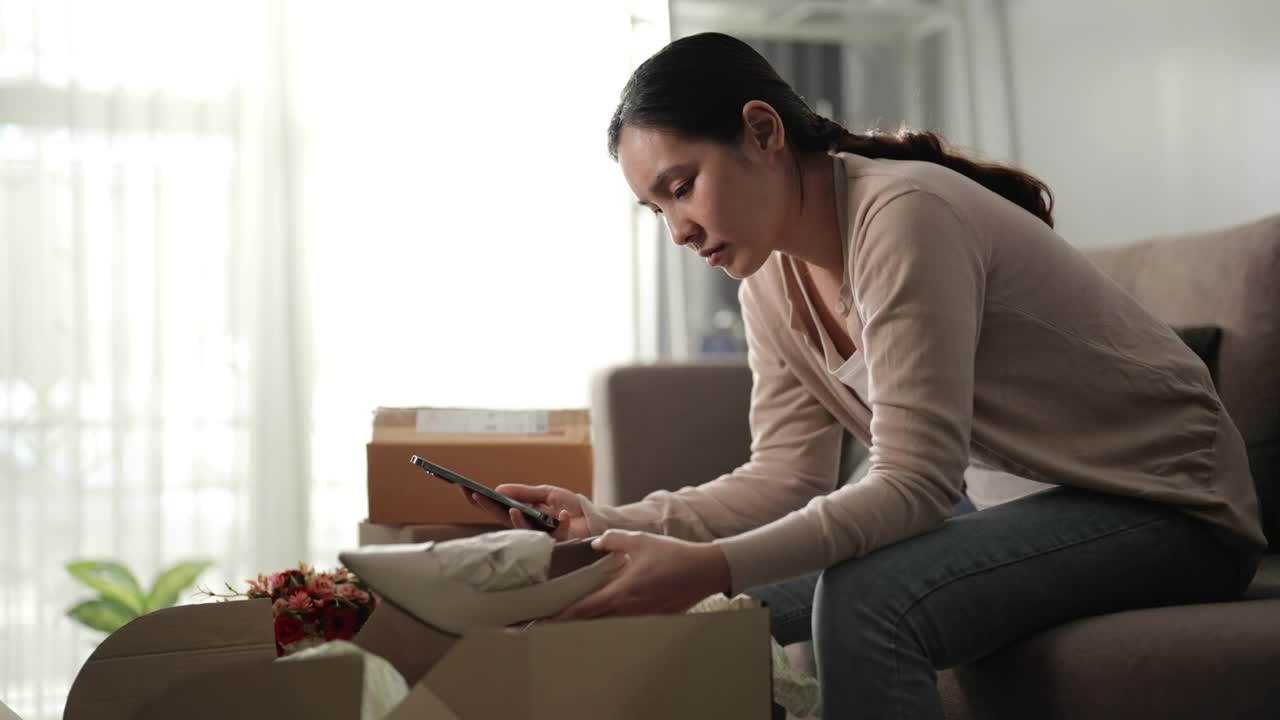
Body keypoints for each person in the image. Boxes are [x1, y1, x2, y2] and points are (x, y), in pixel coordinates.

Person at [463, 32, 1264, 719]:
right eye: (656, 209)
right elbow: (782, 478)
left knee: (863, 598)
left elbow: (916, 482)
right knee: (716, 604)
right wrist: (609, 518)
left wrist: (707, 561)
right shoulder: (769, 286)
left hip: (1167, 505)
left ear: (762, 131)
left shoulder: (903, 215)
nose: (678, 229)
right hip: (1019, 502)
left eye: (683, 187)